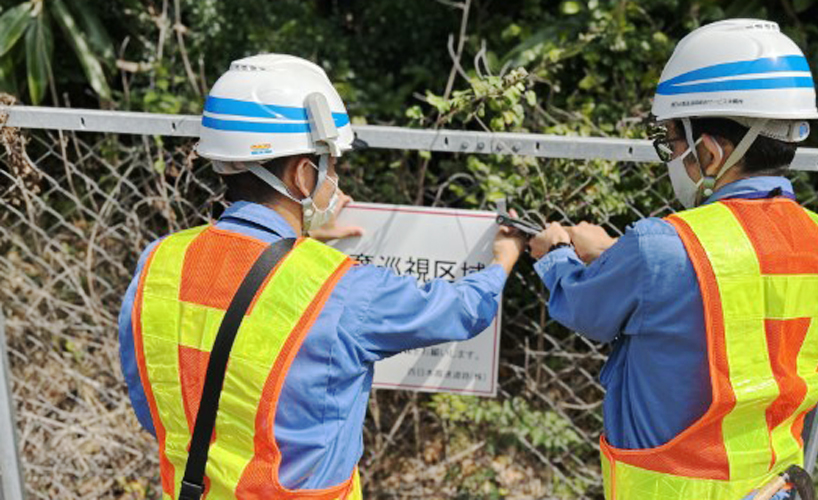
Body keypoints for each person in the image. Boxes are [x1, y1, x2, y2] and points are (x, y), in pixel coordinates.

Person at [118, 54, 524, 499]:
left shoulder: (159, 262)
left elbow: (152, 404)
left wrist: (296, 239)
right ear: (302, 173)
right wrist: (502, 259)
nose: (336, 178)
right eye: (331, 164)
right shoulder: (344, 289)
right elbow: (461, 311)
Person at [527, 19, 818, 500]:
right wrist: (616, 253)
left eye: (672, 141)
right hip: (775, 487)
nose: (670, 155)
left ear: (709, 153)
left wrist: (558, 253)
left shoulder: (661, 247)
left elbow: (585, 307)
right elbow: (738, 286)